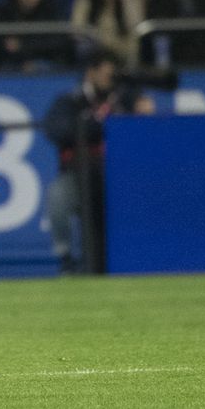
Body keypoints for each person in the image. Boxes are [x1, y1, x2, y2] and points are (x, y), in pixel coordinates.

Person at [42, 52, 151, 274]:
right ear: (91, 72)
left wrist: (144, 116)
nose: (110, 79)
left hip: (120, 178)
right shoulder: (71, 100)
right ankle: (66, 259)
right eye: (106, 73)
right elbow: (56, 130)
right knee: (57, 197)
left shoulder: (126, 100)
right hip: (79, 175)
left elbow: (145, 138)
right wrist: (99, 126)